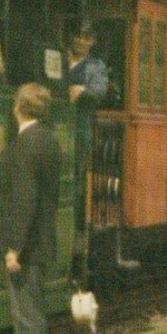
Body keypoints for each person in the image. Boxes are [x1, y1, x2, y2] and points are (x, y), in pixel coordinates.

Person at [0, 83, 63, 334]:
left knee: (26, 315)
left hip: (26, 246)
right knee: (34, 312)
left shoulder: (25, 144)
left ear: (18, 107)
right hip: (40, 239)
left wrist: (14, 247)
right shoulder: (48, 140)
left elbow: (24, 200)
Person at [64, 20, 109, 225]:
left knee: (77, 170)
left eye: (87, 37)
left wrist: (82, 92)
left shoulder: (95, 65)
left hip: (80, 122)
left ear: (93, 41)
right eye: (79, 36)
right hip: (57, 119)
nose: (82, 41)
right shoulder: (59, 56)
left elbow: (99, 91)